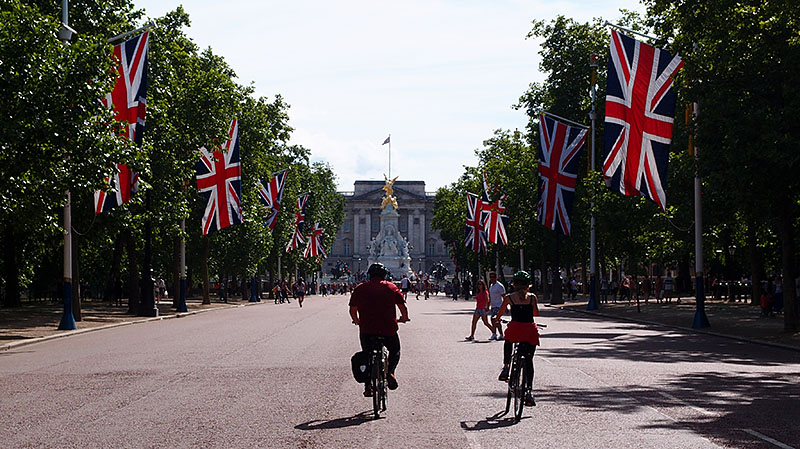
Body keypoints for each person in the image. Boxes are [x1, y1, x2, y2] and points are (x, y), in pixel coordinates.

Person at [349, 263, 410, 397]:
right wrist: (404, 318)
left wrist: (357, 321)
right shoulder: (391, 287)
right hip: (388, 328)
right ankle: (391, 372)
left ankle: (368, 386)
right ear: (385, 275)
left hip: (367, 328)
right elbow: (402, 307)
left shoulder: (360, 288)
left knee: (367, 354)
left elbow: (352, 309)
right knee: (395, 350)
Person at [493, 270, 540, 407]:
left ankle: (506, 366)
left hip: (516, 329)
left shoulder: (509, 298)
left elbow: (500, 313)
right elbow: (536, 313)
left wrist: (497, 319)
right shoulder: (532, 297)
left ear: (514, 285)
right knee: (529, 360)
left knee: (508, 340)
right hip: (530, 330)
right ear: (528, 286)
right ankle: (529, 392)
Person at [488, 271, 506, 341]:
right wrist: (488, 305)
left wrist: (505, 307)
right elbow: (490, 296)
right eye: (491, 277)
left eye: (493, 277)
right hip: (493, 305)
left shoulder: (499, 286)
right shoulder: (491, 286)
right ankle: (494, 333)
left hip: (498, 305)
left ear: (496, 277)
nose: (492, 278)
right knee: (493, 320)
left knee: (496, 320)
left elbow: (504, 296)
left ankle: (501, 334)